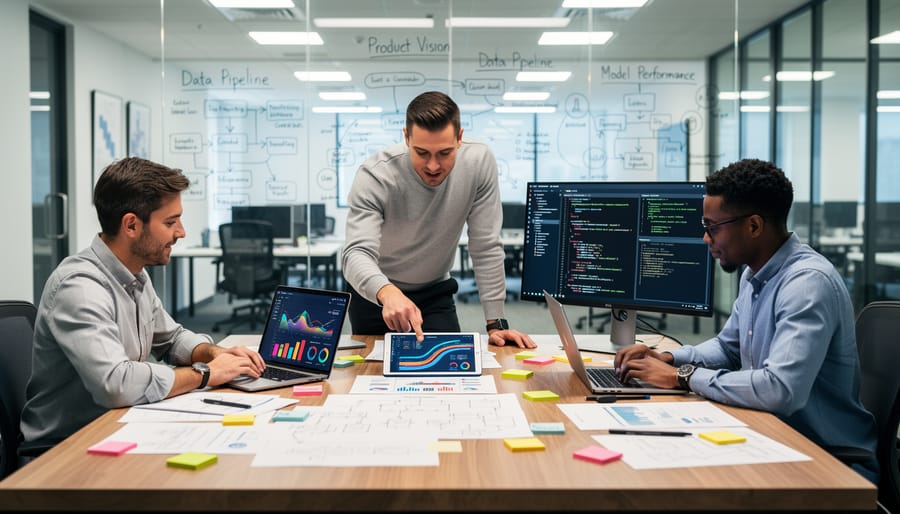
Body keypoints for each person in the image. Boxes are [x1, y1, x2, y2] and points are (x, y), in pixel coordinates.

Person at [614, 158, 879, 483]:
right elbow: (728, 348)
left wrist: (681, 376)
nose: (705, 239)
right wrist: (668, 358)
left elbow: (780, 390)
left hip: (825, 458)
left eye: (713, 228)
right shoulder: (755, 274)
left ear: (753, 226)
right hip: (771, 434)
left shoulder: (806, 284)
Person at [21, 157, 266, 449]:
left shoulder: (135, 274)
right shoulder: (79, 287)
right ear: (131, 225)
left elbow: (171, 339)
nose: (181, 232)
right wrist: (207, 374)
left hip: (120, 425)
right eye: (170, 222)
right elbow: (116, 384)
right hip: (66, 447)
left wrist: (214, 353)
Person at [342, 91, 535, 348]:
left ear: (460, 138)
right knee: (371, 376)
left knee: (450, 376)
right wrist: (387, 292)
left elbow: (485, 246)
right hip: (377, 295)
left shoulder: (478, 162)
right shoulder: (376, 174)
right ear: (406, 137)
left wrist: (496, 323)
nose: (433, 166)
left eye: (445, 153)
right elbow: (355, 253)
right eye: (422, 152)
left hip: (434, 293)